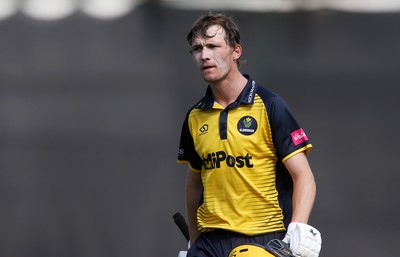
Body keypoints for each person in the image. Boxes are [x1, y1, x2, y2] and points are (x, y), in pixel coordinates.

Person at [177, 11, 321, 257]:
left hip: (264, 239)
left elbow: (303, 176)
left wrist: (298, 228)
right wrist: (194, 241)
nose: (205, 55)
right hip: (210, 242)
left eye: (213, 46)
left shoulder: (270, 105)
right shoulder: (195, 116)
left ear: (236, 50)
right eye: (198, 49)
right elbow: (194, 183)